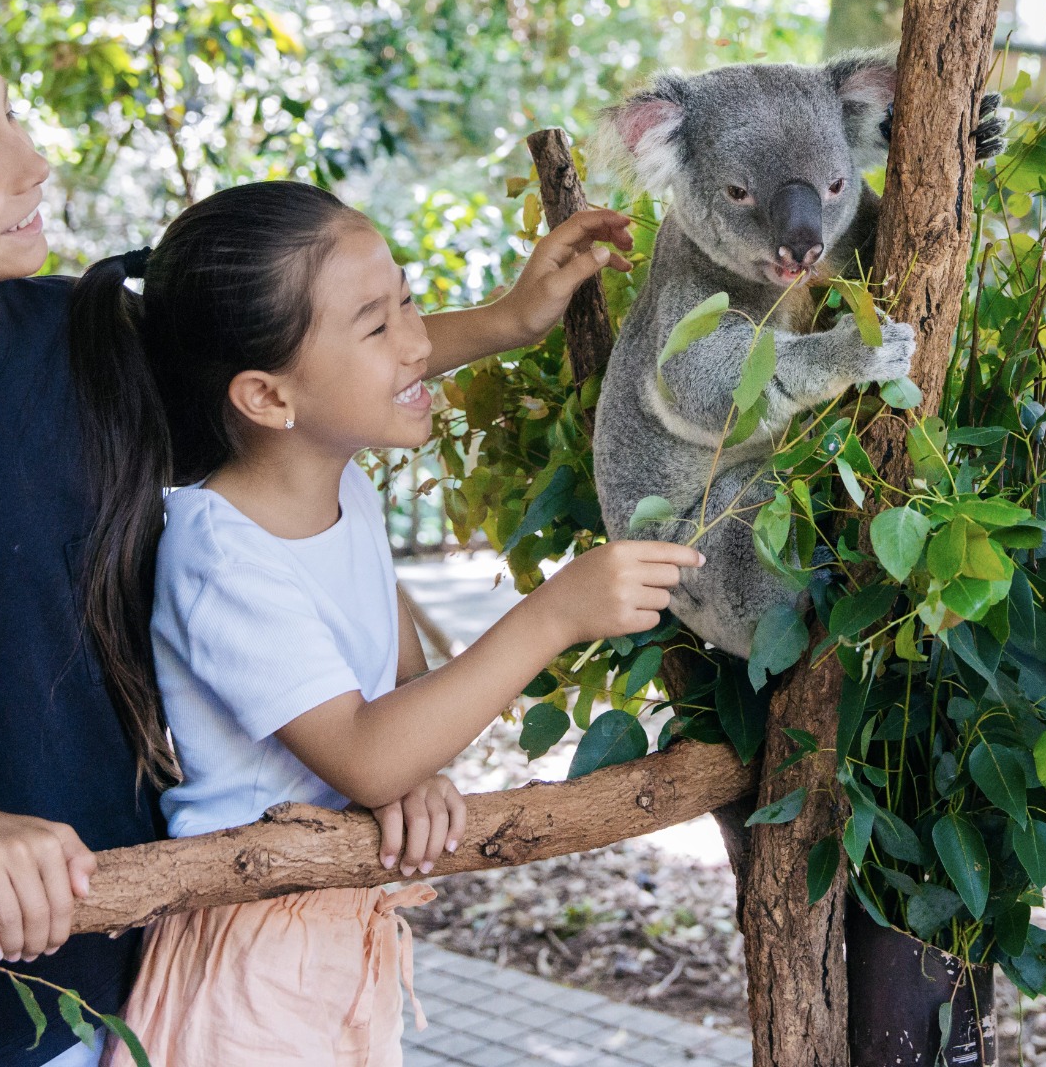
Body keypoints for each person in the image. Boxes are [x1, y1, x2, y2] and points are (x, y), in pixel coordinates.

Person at [0, 0, 635, 1067]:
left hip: (186, 954)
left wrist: (501, 322)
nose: (32, 161)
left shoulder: (89, 337)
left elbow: (298, 366)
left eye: (10, 118)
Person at [66, 180, 703, 1066]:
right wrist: (552, 614)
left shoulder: (340, 483)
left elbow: (397, 696)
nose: (416, 339)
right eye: (378, 323)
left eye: (406, 297)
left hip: (339, 927)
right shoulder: (219, 553)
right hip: (250, 957)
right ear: (265, 397)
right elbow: (364, 747)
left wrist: (411, 775)